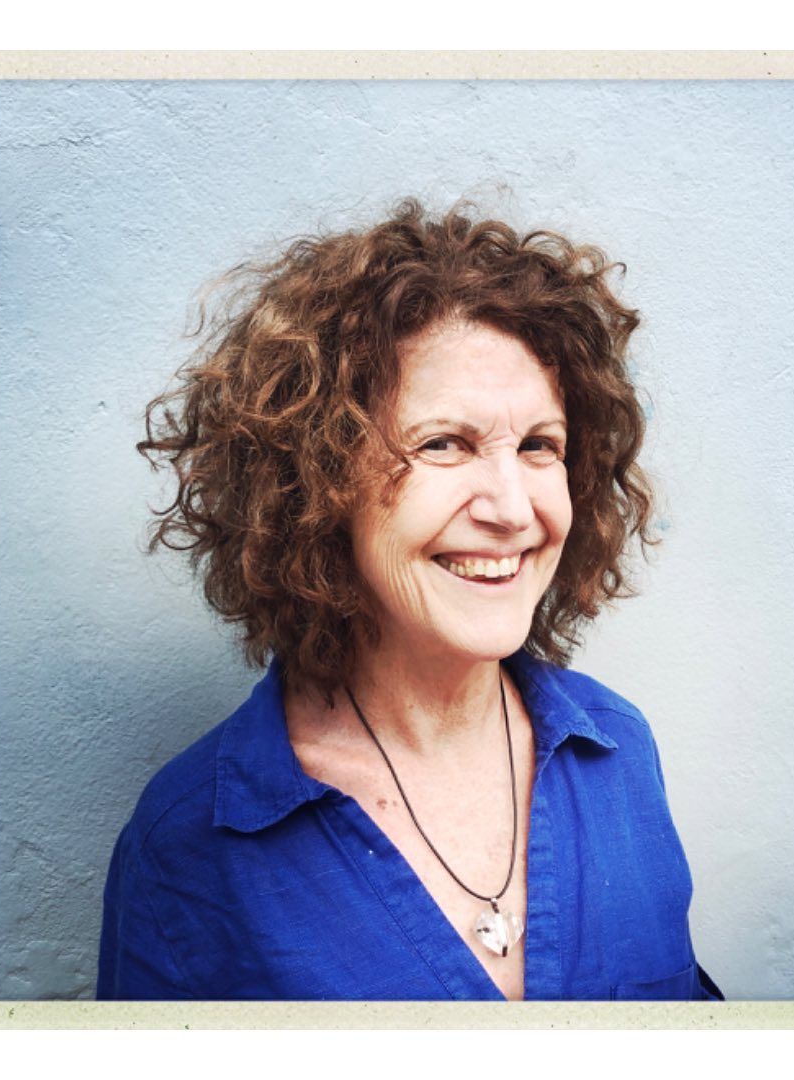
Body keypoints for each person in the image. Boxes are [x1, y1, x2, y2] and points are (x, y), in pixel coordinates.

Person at [96, 200, 722, 1002]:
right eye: (442, 444)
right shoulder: (189, 848)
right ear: (316, 484)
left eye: (539, 446)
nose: (511, 507)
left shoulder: (617, 752)